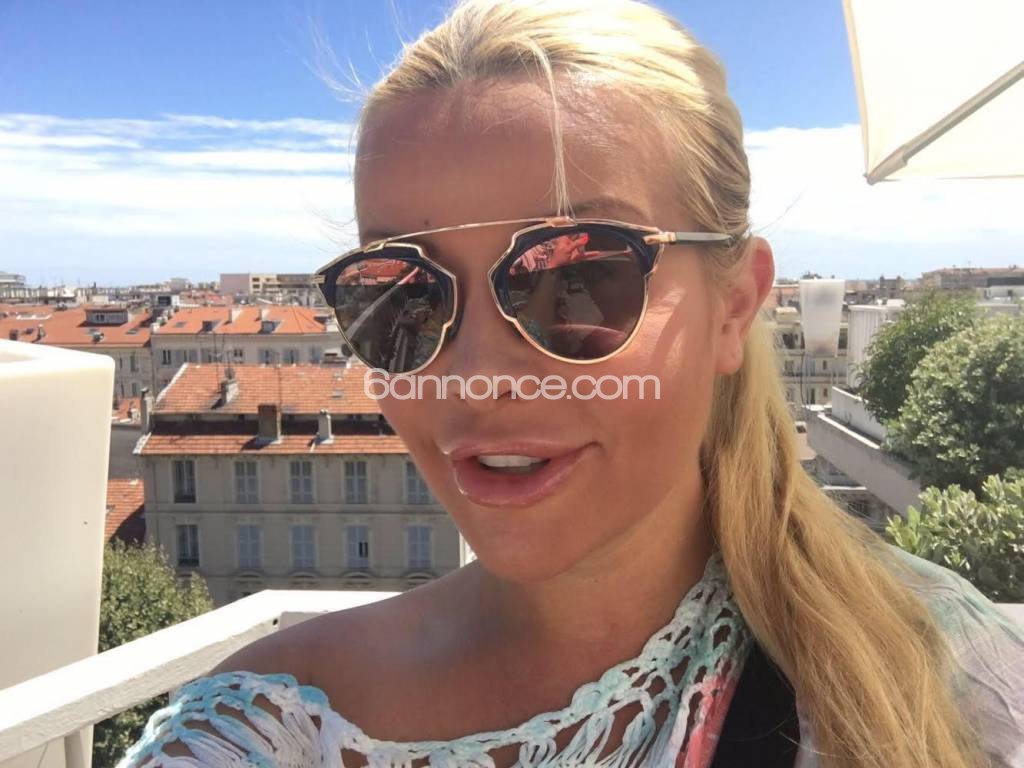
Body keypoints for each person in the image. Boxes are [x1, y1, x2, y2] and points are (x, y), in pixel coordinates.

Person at [117, 1, 1024, 766]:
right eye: (398, 295)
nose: (474, 378)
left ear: (735, 306)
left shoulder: (944, 682)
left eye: (580, 278)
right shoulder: (270, 729)